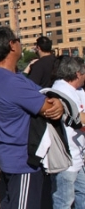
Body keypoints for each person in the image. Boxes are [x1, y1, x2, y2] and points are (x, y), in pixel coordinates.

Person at [0, 26, 64, 209]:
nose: (21, 44)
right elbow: (48, 107)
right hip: (22, 162)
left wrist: (56, 99)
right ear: (12, 45)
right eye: (18, 40)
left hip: (14, 156)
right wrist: (57, 103)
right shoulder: (10, 82)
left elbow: (45, 94)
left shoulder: (7, 76)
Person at [50, 56, 85, 209]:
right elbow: (78, 118)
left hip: (78, 156)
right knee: (63, 202)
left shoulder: (74, 90)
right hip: (66, 159)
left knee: (82, 194)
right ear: (78, 74)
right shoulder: (61, 92)